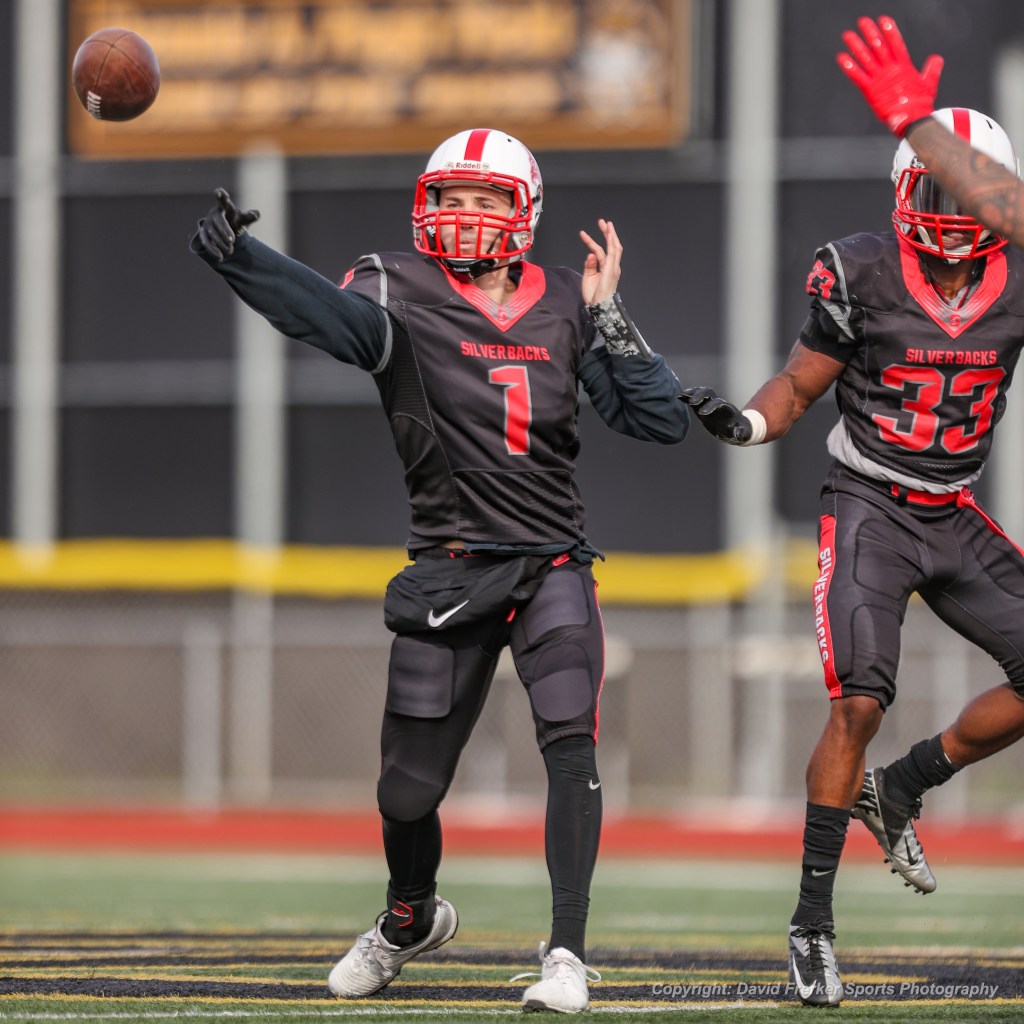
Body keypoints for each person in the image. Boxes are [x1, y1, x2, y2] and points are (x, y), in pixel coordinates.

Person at [191, 127, 689, 1012]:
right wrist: (246, 261)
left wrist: (611, 312)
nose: (463, 212)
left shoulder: (567, 300)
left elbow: (659, 419)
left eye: (484, 199)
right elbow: (330, 318)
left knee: (571, 746)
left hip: (552, 563)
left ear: (524, 211)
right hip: (451, 566)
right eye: (450, 197)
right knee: (405, 790)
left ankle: (566, 954)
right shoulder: (396, 286)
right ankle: (410, 916)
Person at [682, 105, 1024, 1007]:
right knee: (860, 700)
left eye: (970, 192)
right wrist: (748, 422)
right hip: (870, 503)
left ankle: (902, 786)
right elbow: (800, 384)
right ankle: (812, 924)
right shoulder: (862, 269)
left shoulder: (1018, 277)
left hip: (952, 509)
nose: (952, 210)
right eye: (938, 189)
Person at [838, 14, 1024, 250]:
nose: (955, 225)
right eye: (937, 198)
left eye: (971, 205)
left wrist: (916, 123)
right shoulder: (862, 263)